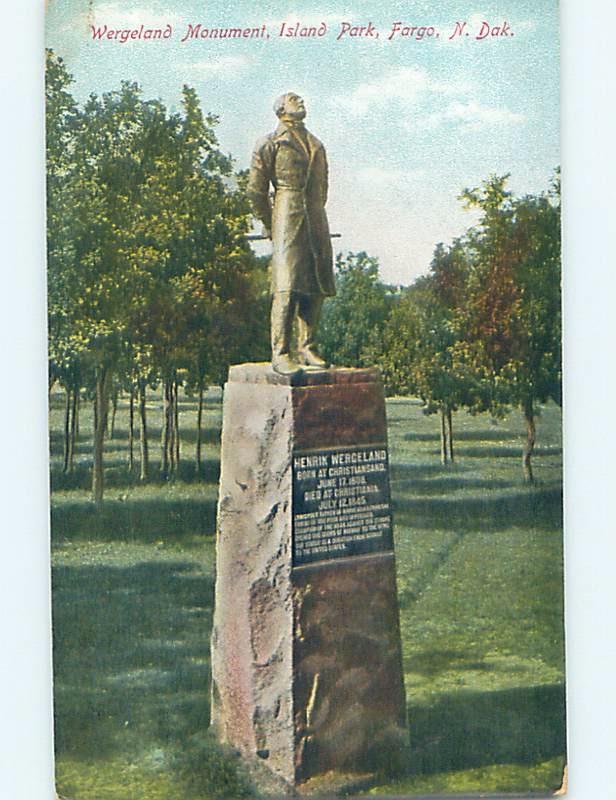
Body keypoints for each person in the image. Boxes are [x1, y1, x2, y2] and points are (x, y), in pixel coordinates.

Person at [248, 92, 335, 375]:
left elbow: (322, 187)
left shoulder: (315, 143)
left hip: (315, 216)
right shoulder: (270, 143)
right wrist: (269, 222)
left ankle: (306, 347)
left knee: (317, 285)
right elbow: (255, 191)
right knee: (286, 287)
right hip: (286, 211)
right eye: (293, 99)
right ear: (280, 110)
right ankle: (280, 351)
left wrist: (317, 212)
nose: (300, 101)